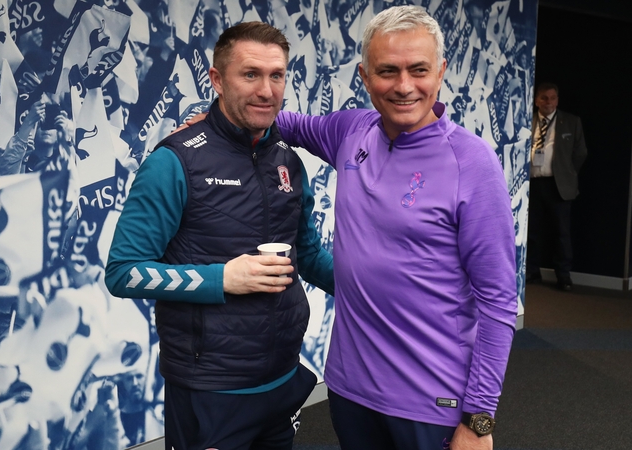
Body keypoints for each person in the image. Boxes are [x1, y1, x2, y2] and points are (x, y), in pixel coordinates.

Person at [272, 6, 517, 450]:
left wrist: (479, 419)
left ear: (440, 72)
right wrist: (218, 119)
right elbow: (285, 123)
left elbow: (498, 302)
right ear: (365, 77)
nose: (404, 86)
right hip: (349, 390)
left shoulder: (472, 163)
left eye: (418, 70)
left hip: (432, 401)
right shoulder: (351, 131)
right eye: (388, 71)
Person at [105, 21, 334, 450]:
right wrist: (222, 278)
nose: (266, 90)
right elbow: (123, 272)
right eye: (250, 74)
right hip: (211, 390)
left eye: (276, 75)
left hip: (283, 378)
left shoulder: (287, 160)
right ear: (217, 79)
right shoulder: (173, 162)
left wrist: (379, 289)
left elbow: (308, 255)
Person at [525, 82, 588, 291]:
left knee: (561, 232)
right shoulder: (525, 120)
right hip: (532, 184)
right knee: (531, 231)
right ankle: (531, 272)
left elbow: (580, 153)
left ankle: (563, 276)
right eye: (544, 98)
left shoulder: (571, 122)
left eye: (552, 98)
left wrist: (567, 174)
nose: (548, 102)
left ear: (557, 100)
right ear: (536, 100)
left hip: (558, 185)